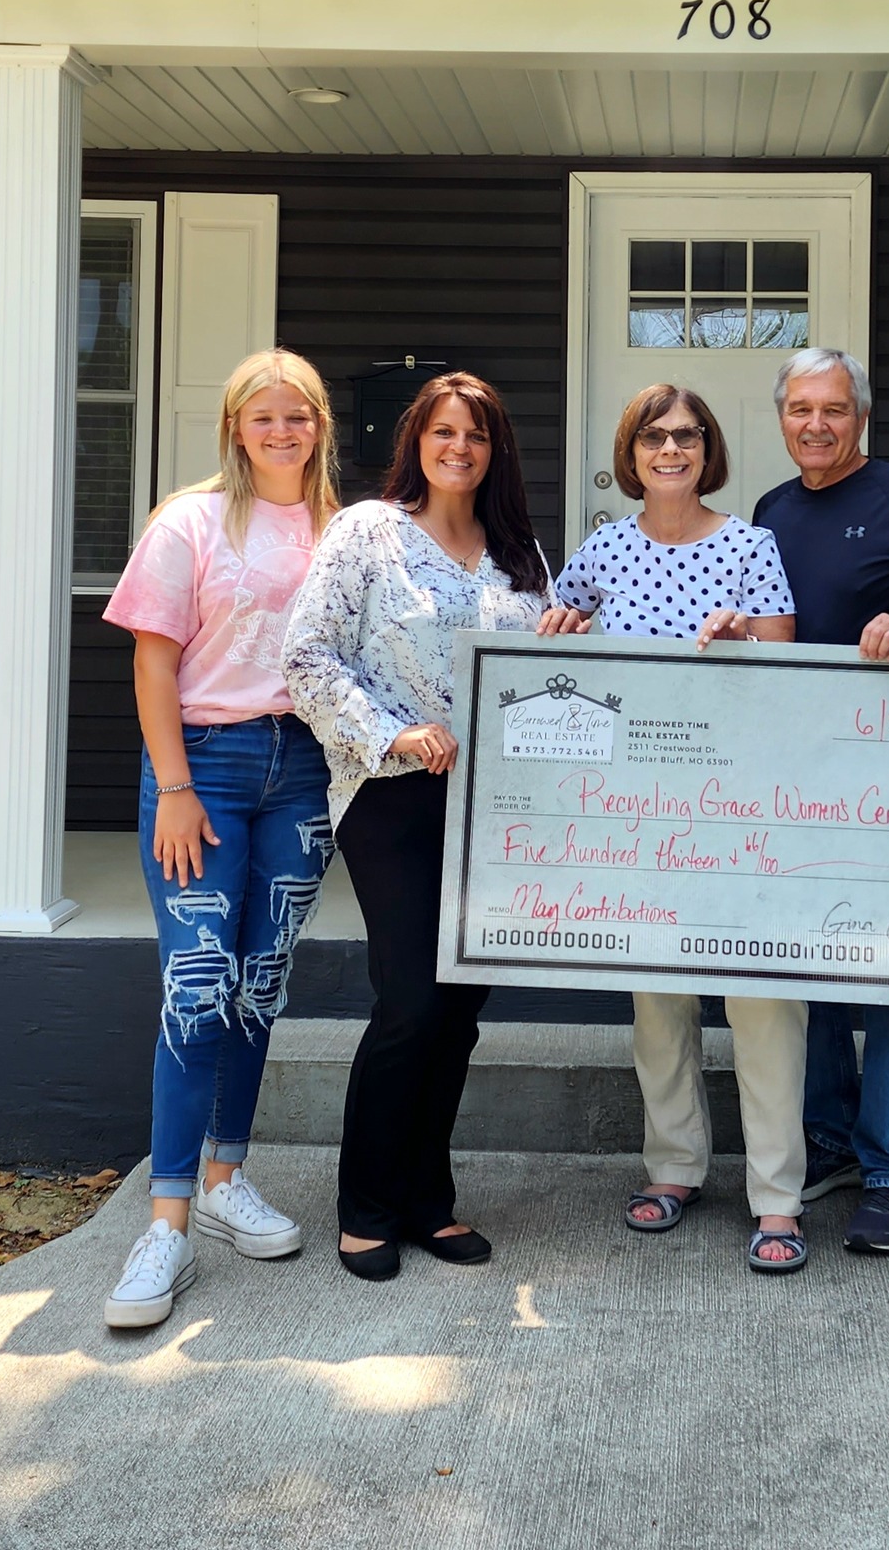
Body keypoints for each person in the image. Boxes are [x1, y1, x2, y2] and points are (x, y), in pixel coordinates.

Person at [283, 372, 551, 1281]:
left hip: (495, 807)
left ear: (496, 450)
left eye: (476, 436)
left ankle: (428, 1202)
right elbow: (307, 656)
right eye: (443, 432)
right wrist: (390, 731)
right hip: (393, 793)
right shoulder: (369, 532)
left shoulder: (519, 552)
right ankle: (366, 1205)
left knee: (461, 1011)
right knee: (409, 1003)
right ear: (418, 440)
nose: (459, 449)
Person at [540, 384, 810, 1273]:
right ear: (632, 450)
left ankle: (777, 1199)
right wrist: (561, 629)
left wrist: (746, 641)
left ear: (708, 449)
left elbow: (785, 664)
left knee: (764, 1005)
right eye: (654, 436)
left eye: (687, 436)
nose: (671, 450)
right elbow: (561, 648)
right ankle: (675, 1167)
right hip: (638, 815)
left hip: (741, 808)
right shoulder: (601, 551)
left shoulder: (750, 544)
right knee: (659, 1006)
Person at [99, 348, 340, 1330]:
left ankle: (225, 1173)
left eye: (298, 416)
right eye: (262, 417)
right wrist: (176, 787)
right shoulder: (189, 519)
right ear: (235, 428)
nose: (281, 431)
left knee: (257, 984)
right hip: (204, 762)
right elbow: (153, 665)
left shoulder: (341, 530)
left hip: (305, 773)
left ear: (319, 424)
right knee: (195, 988)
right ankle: (166, 1223)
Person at [745, 348, 889, 1256]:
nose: (816, 424)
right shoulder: (768, 510)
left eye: (833, 409)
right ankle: (831, 1142)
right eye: (800, 408)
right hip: (795, 778)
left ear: (861, 416)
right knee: (811, 967)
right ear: (782, 418)